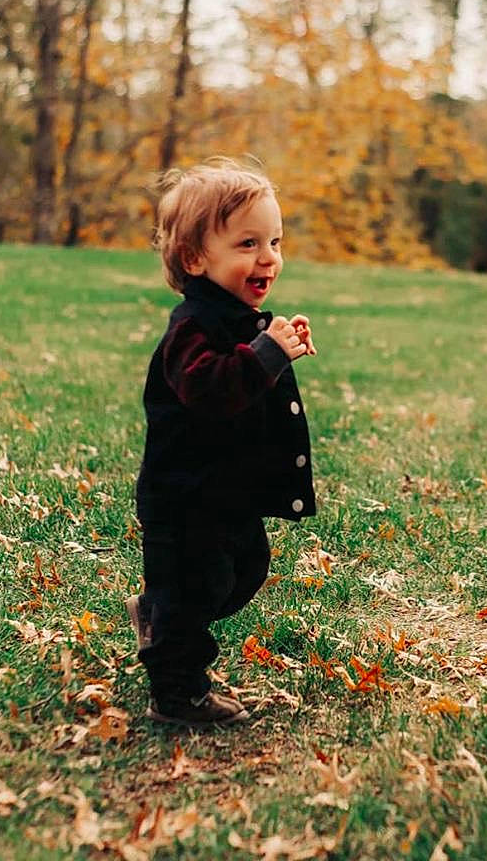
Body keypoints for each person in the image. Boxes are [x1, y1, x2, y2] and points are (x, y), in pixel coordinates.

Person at [127, 160, 317, 730]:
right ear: (195, 259)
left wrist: (278, 350)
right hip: (185, 500)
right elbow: (211, 389)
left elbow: (248, 392)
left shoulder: (242, 319)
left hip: (224, 494)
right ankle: (176, 691)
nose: (268, 257)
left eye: (275, 241)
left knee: (246, 569)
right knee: (198, 587)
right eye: (248, 243)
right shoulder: (191, 328)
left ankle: (160, 614)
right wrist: (268, 354)